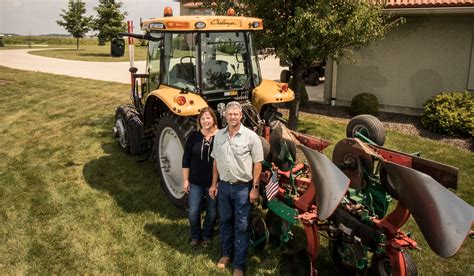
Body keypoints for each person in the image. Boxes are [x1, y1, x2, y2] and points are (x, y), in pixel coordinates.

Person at [209, 101, 264, 276]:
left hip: (242, 188)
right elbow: (216, 161)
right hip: (224, 187)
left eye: (236, 114)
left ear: (241, 116)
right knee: (225, 222)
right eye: (230, 114)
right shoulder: (219, 136)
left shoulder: (250, 137)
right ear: (225, 116)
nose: (232, 117)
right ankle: (226, 255)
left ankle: (239, 265)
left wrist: (255, 188)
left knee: (241, 226)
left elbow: (258, 164)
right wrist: (214, 183)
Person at [182, 107, 219, 246]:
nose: (205, 121)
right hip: (195, 181)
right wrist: (186, 180)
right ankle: (195, 235)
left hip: (213, 182)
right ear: (199, 121)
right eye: (203, 118)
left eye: (208, 118)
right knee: (193, 211)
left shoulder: (220, 137)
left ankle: (207, 235)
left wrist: (218, 182)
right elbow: (186, 159)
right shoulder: (194, 137)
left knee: (212, 212)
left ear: (213, 119)